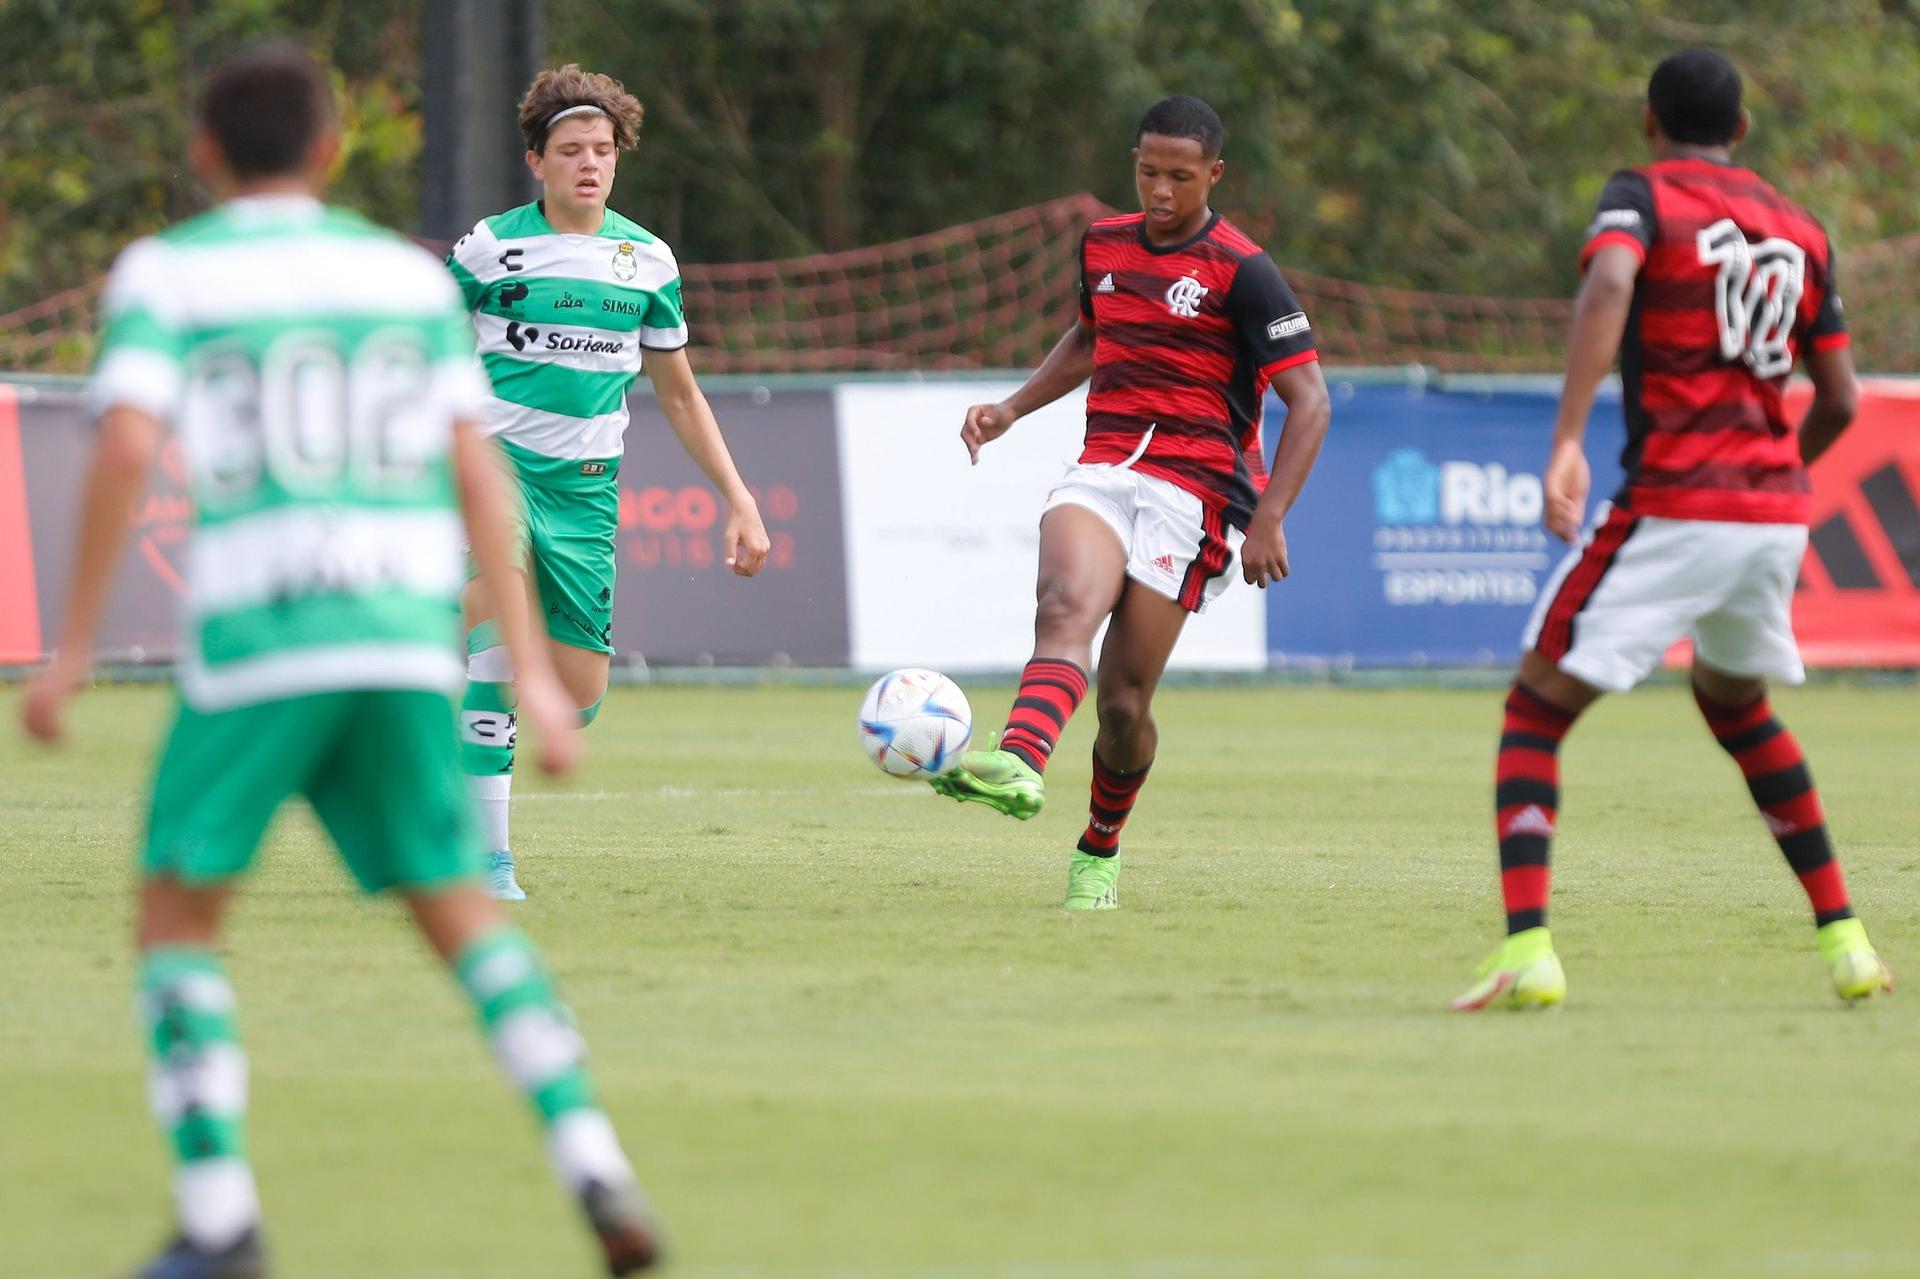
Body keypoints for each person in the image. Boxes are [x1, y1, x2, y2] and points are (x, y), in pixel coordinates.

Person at [21, 44, 662, 1276]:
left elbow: (122, 449)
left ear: (206, 155)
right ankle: (594, 1159)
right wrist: (525, 666)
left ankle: (218, 1216)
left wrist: (75, 650)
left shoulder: (171, 268)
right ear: (328, 151)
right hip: (397, 628)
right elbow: (480, 467)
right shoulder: (394, 272)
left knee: (177, 915)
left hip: (265, 631)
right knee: (461, 916)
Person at [1451, 48, 1893, 1011]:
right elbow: (1845, 399)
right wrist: (1774, 472)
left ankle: (1528, 948)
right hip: (1773, 515)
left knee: (1535, 707)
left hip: (1677, 500)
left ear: (1650, 122)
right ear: (1741, 131)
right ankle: (1847, 939)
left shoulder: (1642, 196)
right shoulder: (1802, 228)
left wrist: (1567, 438)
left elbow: (1611, 283)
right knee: (1737, 707)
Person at [930, 95, 1332, 910]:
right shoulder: (1104, 244)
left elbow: (1312, 400)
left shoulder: (1244, 271)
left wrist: (1270, 516)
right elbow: (1088, 336)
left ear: (1213, 175)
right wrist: (1011, 408)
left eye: (1180, 177)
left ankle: (1099, 848)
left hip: (1199, 493)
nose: (1160, 190)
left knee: (1122, 702)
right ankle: (1019, 761)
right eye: (1148, 171)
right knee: (1063, 602)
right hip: (1106, 466)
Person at [446, 65, 770, 900]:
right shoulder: (488, 249)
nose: (590, 163)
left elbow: (680, 394)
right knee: (495, 628)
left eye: (603, 149)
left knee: (577, 693)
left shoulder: (646, 263)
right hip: (494, 473)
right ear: (536, 160)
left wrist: (739, 497)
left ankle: (442, 712)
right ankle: (487, 860)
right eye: (571, 150)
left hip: (584, 494)